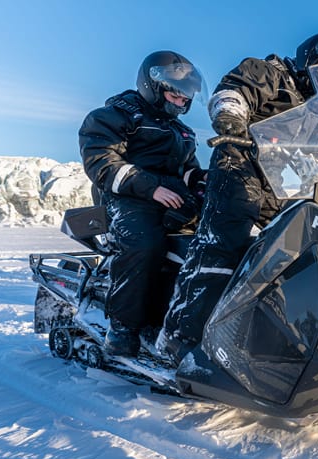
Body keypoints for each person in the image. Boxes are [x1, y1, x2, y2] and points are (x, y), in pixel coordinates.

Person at [157, 33, 318, 363]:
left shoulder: (316, 110)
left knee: (282, 262)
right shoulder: (270, 72)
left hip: (284, 189)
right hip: (239, 169)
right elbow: (234, 90)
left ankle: (263, 349)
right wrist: (231, 116)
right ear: (310, 62)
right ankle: (180, 337)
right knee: (224, 245)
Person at [79, 51, 206, 356]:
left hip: (171, 199)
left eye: (185, 97)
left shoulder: (181, 131)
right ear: (153, 85)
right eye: (175, 95)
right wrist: (152, 188)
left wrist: (209, 182)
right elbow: (102, 161)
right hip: (126, 199)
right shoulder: (115, 115)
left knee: (213, 243)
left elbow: (188, 170)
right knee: (146, 244)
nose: (181, 102)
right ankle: (123, 330)